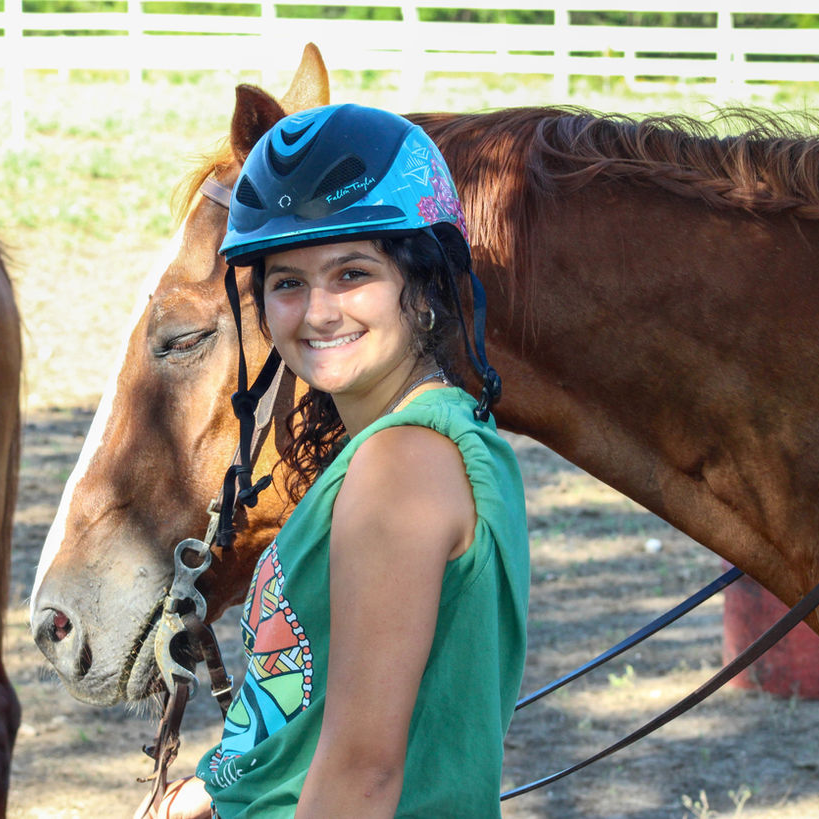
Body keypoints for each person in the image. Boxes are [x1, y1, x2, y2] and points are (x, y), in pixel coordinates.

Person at [139, 103, 529, 819]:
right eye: (287, 281)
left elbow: (362, 778)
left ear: (425, 283)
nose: (318, 312)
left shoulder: (402, 467)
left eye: (351, 273)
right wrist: (217, 788)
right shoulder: (435, 436)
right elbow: (324, 710)